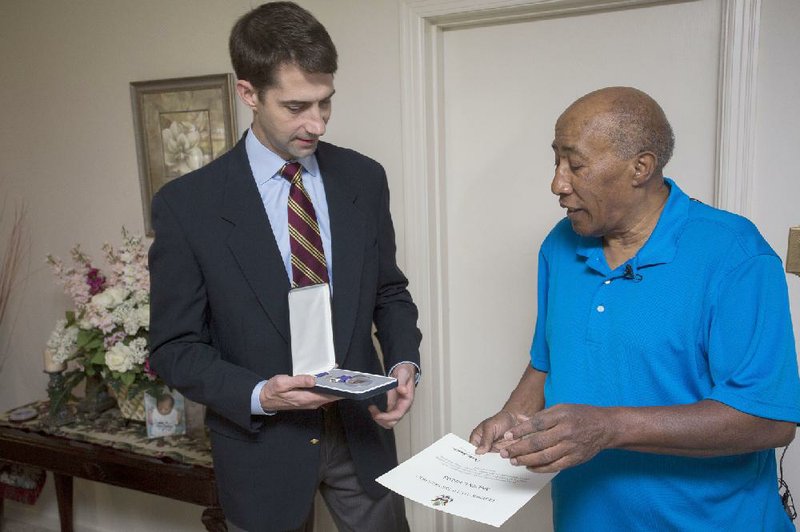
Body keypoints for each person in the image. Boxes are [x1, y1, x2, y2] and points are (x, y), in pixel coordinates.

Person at [470, 86, 800, 530]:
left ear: (640, 167)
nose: (558, 184)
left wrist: (609, 427)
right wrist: (516, 417)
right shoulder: (559, 245)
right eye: (556, 160)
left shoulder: (736, 255)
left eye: (576, 165)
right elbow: (546, 362)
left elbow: (768, 419)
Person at [148, 3, 421, 531]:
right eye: (296, 106)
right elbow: (174, 348)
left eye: (325, 103)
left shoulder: (364, 179)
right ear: (248, 92)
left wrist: (404, 363)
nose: (315, 124)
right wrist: (260, 394)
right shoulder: (188, 205)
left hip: (360, 438)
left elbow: (390, 291)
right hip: (260, 448)